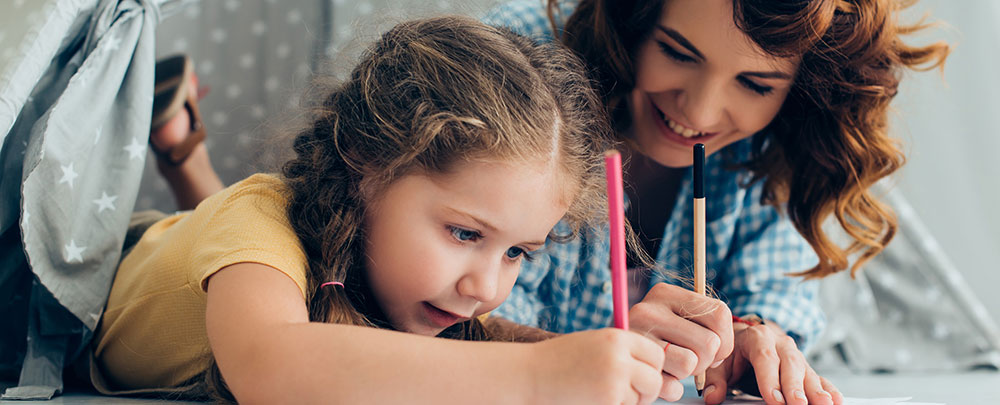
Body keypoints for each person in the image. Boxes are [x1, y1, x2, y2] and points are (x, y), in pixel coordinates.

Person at [90, 16, 677, 404]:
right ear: (367, 166)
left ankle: (178, 143)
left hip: (216, 259)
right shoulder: (257, 218)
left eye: (518, 252)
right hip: (71, 294)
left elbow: (468, 347)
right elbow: (269, 365)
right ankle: (181, 149)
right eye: (465, 233)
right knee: (239, 231)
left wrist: (602, 364)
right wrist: (540, 377)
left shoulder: (407, 285)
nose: (487, 286)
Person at [483, 0, 949, 404]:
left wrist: (750, 339)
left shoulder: (782, 142)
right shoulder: (522, 57)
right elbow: (441, 308)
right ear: (632, 19)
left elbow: (774, 293)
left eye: (757, 84)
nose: (699, 112)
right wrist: (577, 358)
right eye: (676, 52)